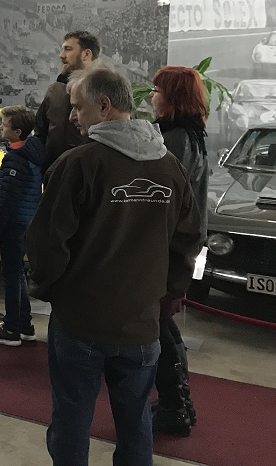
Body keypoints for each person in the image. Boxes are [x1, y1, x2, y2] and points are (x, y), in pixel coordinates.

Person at [27, 66, 203, 466]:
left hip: (81, 323)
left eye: (78, 107)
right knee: (135, 420)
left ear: (104, 106)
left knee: (72, 417)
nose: (73, 116)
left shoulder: (78, 164)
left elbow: (46, 242)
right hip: (141, 324)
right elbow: (190, 240)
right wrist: (164, 296)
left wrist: (52, 291)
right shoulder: (169, 167)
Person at [149, 66, 209, 436]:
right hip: (180, 245)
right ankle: (178, 401)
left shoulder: (175, 140)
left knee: (158, 326)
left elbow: (166, 200)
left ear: (173, 96)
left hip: (170, 247)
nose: (151, 96)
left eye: (157, 90)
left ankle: (175, 407)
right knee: (164, 325)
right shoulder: (191, 134)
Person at [0, 105, 44, 346]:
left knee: (11, 276)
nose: (0, 127)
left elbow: (7, 198)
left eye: (4, 125)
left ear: (17, 132)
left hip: (15, 224)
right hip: (27, 221)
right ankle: (24, 325)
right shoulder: (33, 152)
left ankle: (11, 329)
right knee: (17, 274)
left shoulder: (16, 159)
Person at [34, 30, 100, 170]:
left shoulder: (105, 90)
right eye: (62, 49)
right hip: (54, 175)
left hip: (88, 175)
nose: (61, 55)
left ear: (86, 54)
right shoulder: (55, 91)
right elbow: (40, 135)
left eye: (68, 49)